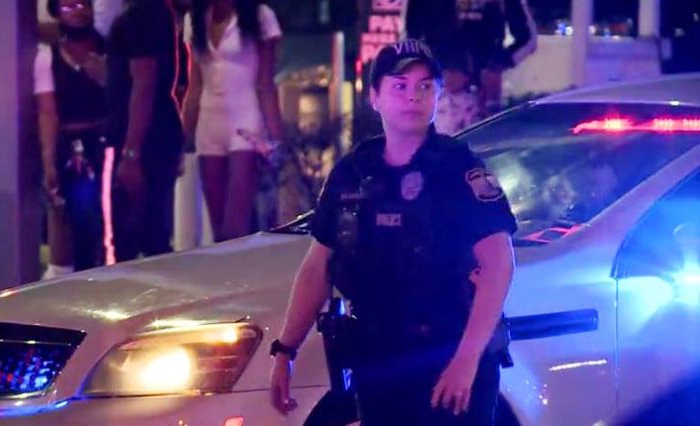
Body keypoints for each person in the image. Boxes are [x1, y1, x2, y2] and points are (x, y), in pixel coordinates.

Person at [270, 39, 518, 425]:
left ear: (437, 95)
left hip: (450, 356)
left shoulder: (457, 168)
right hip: (381, 363)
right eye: (399, 86)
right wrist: (285, 351)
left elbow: (499, 264)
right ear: (375, 97)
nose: (413, 97)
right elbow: (318, 268)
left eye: (424, 86)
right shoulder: (354, 172)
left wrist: (466, 362)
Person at [184, 0, 284, 242]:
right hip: (208, 122)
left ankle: (245, 274)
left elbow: (265, 83)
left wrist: (277, 138)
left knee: (235, 227)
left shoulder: (261, 16)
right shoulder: (194, 19)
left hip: (245, 120)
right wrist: (183, 135)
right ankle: (227, 278)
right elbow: (195, 84)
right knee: (218, 230)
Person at [106, 0, 186, 262]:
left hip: (146, 139)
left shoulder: (144, 13)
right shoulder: (154, 12)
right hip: (154, 133)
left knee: (137, 236)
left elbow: (144, 83)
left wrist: (132, 154)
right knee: (148, 233)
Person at [36, 0, 108, 277]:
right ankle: (83, 280)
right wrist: (49, 160)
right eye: (68, 6)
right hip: (73, 147)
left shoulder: (109, 50)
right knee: (80, 218)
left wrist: (106, 77)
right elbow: (47, 111)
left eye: (82, 4)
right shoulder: (48, 57)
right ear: (57, 13)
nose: (77, 11)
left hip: (107, 142)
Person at [401, 0, 537, 135]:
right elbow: (408, 41)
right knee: (438, 150)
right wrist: (437, 71)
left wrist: (497, 66)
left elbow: (528, 40)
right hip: (441, 97)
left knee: (485, 150)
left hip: (485, 97)